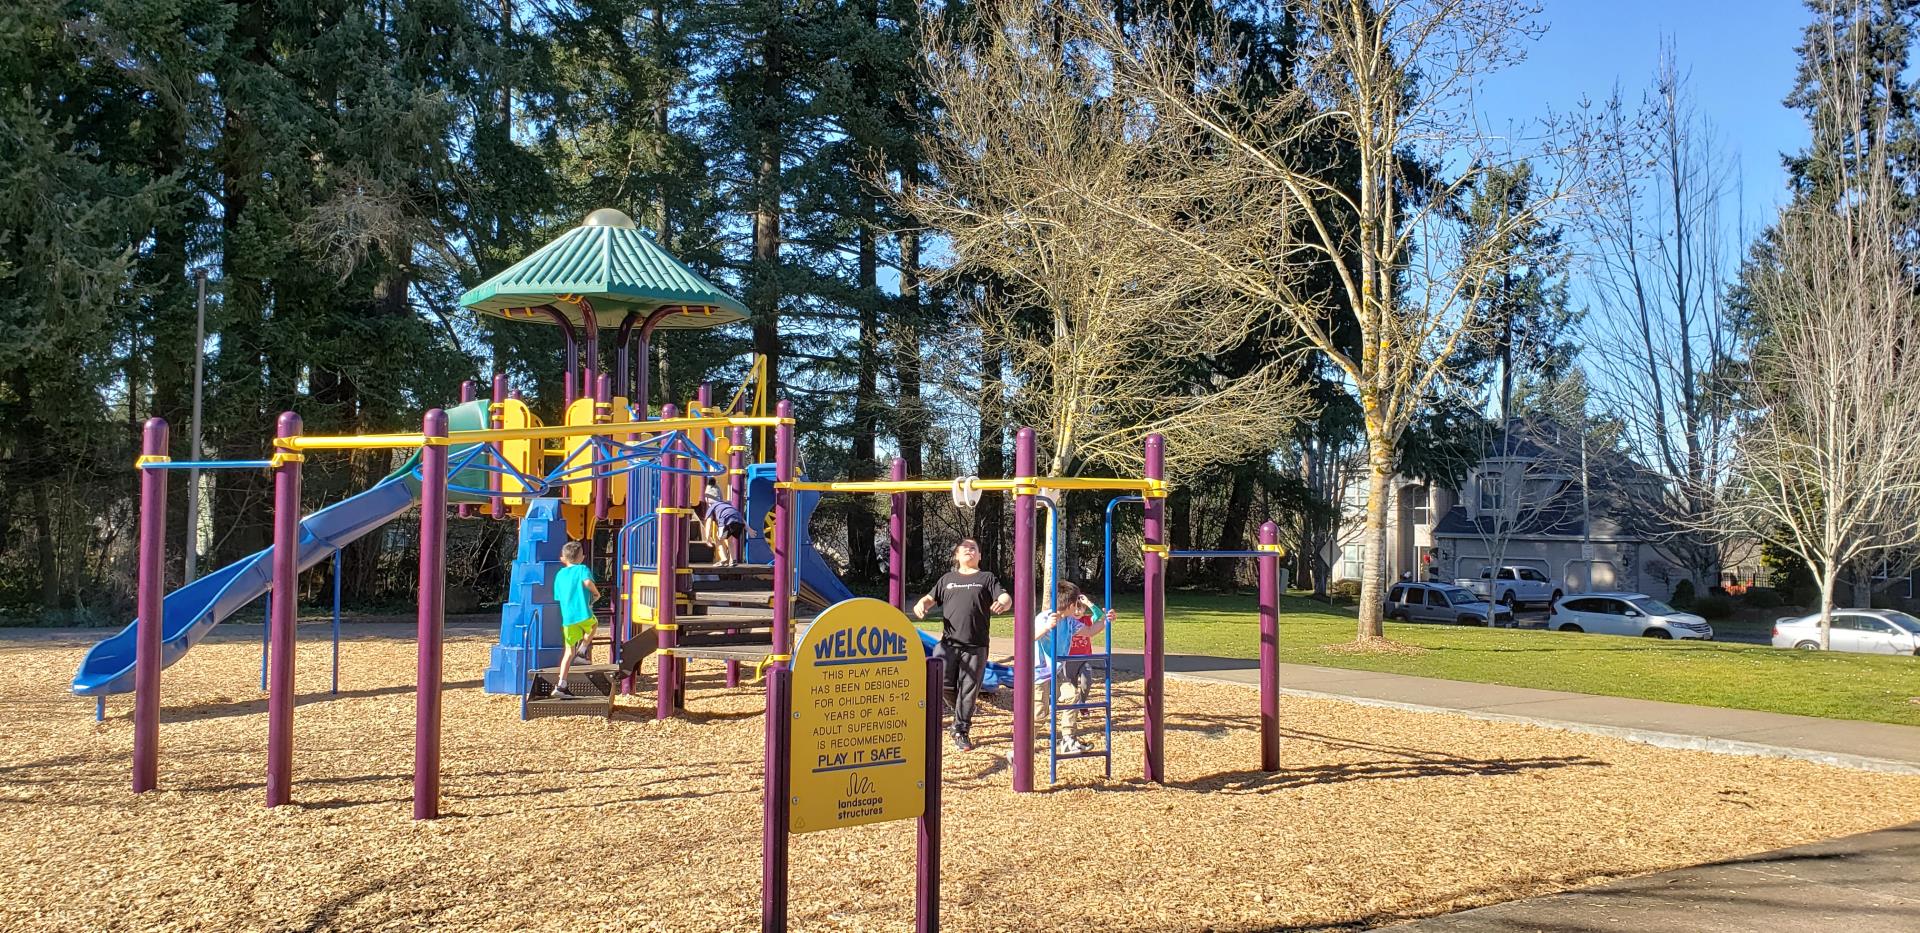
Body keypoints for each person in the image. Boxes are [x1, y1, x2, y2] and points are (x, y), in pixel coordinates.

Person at [912, 539, 1011, 752]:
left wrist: (1003, 601)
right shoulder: (947, 579)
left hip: (976, 645)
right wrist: (921, 604)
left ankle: (961, 729)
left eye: (974, 548)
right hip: (948, 644)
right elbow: (929, 598)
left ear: (979, 556)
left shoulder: (986, 578)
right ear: (956, 555)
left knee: (969, 690)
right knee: (943, 684)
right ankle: (962, 710)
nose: (969, 550)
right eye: (965, 548)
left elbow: (1004, 596)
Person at [1035, 582, 1110, 755]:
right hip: (1038, 673)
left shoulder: (1069, 621)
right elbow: (1030, 636)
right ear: (1070, 605)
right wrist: (1047, 627)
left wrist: (1105, 621)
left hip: (1057, 670)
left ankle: (1068, 740)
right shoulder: (1045, 617)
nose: (1078, 607)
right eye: (1076, 603)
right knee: (1039, 713)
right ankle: (1021, 747)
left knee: (1072, 696)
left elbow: (1089, 631)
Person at [550, 541, 601, 698]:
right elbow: (587, 582)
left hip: (568, 618)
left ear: (563, 559)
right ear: (582, 557)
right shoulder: (582, 569)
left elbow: (558, 596)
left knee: (568, 651)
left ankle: (561, 685)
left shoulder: (559, 575)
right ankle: (583, 651)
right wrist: (596, 593)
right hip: (582, 613)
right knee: (593, 625)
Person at [695, 492, 747, 567]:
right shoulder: (727, 504)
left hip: (726, 521)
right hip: (738, 521)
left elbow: (708, 524)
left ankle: (723, 559)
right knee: (729, 539)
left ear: (707, 500)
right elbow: (739, 516)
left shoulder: (712, 507)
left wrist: (707, 538)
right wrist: (749, 529)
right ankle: (733, 560)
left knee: (718, 539)